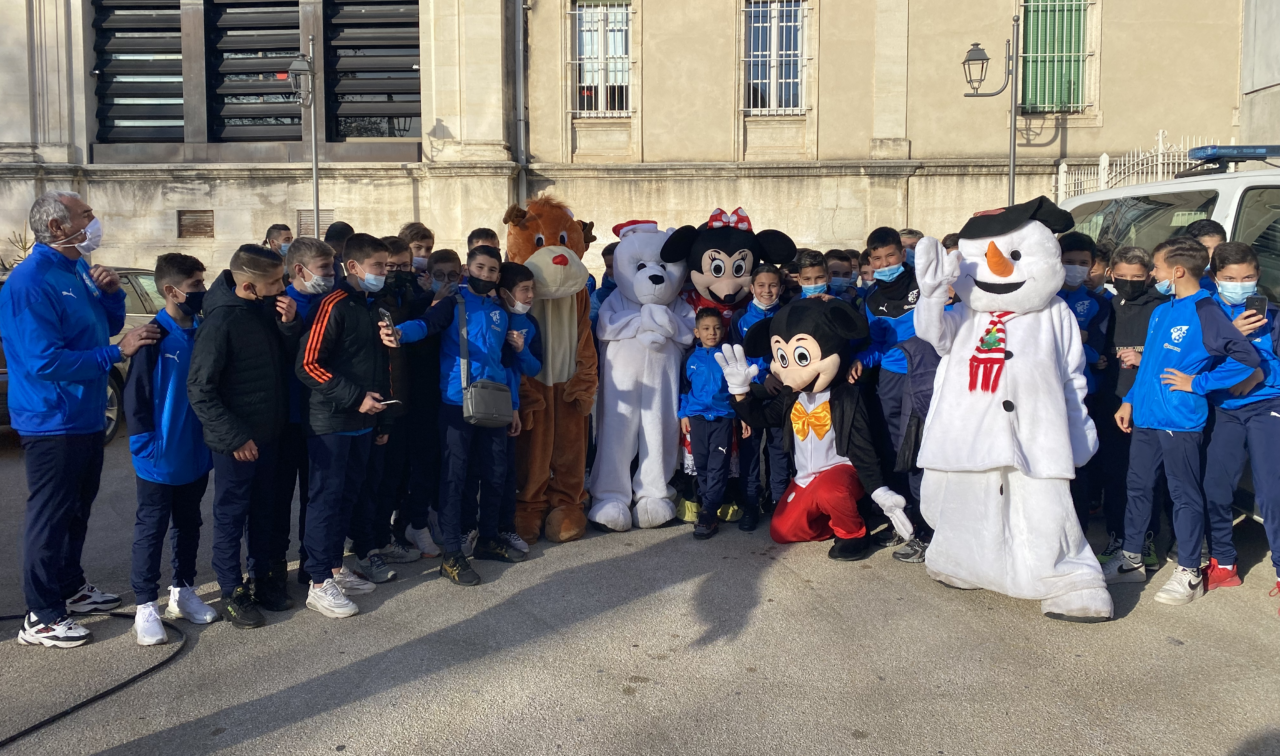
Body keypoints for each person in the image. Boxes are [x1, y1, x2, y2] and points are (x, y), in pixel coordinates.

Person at [1, 190, 158, 648]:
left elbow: (103, 326)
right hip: (51, 419)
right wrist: (116, 353)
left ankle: (71, 586)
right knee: (49, 516)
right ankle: (42, 615)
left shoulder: (78, 271)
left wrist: (111, 295)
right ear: (57, 227)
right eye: (86, 215)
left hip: (86, 415)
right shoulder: (29, 282)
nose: (94, 221)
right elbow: (42, 361)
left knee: (76, 510)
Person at [1108, 237, 1261, 606]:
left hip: (1179, 419)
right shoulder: (1163, 310)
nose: (1154, 275)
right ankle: (1131, 558)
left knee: (1183, 495)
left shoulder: (1206, 311)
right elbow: (1152, 367)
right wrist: (1129, 400)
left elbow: (1247, 358)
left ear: (1177, 271)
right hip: (1146, 416)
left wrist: (1198, 382)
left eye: (1157, 269)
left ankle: (1189, 569)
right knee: (1138, 486)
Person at [394, 244, 522, 586]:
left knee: (495, 472)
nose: (486, 275)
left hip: (495, 402)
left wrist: (514, 406)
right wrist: (399, 333)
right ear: (468, 269)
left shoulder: (500, 308)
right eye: (480, 268)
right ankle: (452, 553)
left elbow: (507, 362)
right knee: (454, 477)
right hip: (457, 402)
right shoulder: (454, 303)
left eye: (493, 270)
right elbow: (426, 324)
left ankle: (488, 539)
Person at [188, 244, 300, 629]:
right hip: (237, 443)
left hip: (271, 435)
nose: (283, 286)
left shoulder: (267, 310)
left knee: (266, 512)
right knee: (231, 516)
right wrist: (235, 438)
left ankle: (264, 579)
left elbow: (284, 362)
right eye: (275, 281)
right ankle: (232, 591)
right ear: (249, 286)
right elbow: (200, 389)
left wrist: (288, 325)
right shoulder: (220, 322)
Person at [123, 253, 218, 645]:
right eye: (195, 285)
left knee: (189, 521)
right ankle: (146, 605)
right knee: (152, 526)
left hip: (196, 450)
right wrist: (144, 444)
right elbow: (137, 397)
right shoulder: (152, 337)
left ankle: (183, 591)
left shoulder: (204, 330)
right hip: (159, 454)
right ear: (171, 290)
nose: (202, 291)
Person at [295, 233, 390, 615]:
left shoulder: (373, 305)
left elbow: (378, 364)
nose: (385, 272)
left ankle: (334, 566)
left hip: (364, 422)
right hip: (331, 421)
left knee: (348, 496)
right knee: (326, 500)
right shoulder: (332, 304)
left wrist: (380, 413)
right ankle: (318, 581)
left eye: (385, 265)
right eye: (378, 266)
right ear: (353, 267)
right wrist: (354, 397)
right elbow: (308, 364)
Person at [1199, 242, 1280, 598]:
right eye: (1230, 278)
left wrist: (1260, 373)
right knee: (1216, 487)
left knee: (1273, 491)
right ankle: (1224, 562)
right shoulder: (1205, 311)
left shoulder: (1273, 314)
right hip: (1224, 410)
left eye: (1247, 277)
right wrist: (1232, 336)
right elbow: (1194, 360)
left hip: (1267, 407)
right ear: (1216, 278)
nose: (1240, 283)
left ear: (1258, 275)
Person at [354, 236, 430, 570]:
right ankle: (369, 543)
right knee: (375, 480)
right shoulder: (375, 302)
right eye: (390, 267)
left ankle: (384, 537)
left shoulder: (408, 295)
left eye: (402, 266)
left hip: (403, 401)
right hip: (379, 404)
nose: (396, 272)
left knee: (394, 477)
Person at [1094, 246, 1168, 570]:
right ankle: (1116, 537)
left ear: (1150, 275)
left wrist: (1144, 360)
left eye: (1136, 278)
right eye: (1121, 277)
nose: (1128, 283)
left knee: (1147, 477)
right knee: (1114, 473)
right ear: (1111, 273)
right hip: (1110, 400)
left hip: (1148, 402)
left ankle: (1146, 540)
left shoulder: (1163, 307)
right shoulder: (1107, 305)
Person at [852, 227, 924, 559]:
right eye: (877, 258)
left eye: (890, 256)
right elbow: (878, 345)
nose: (885, 263)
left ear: (903, 254)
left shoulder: (924, 284)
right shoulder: (872, 298)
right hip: (891, 379)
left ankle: (925, 531)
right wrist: (859, 362)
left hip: (924, 376)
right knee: (894, 450)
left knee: (919, 452)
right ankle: (903, 524)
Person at [279, 236, 337, 584]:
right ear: (299, 270)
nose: (332, 274)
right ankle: (271, 571)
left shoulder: (329, 301)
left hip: (321, 415)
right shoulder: (283, 304)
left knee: (317, 496)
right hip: (287, 416)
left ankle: (312, 564)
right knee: (280, 497)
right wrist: (289, 326)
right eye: (325, 268)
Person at [729, 264, 791, 530]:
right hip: (751, 394)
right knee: (750, 450)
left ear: (782, 288)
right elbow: (735, 360)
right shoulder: (740, 319)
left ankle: (778, 501)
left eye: (773, 285)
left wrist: (779, 374)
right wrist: (760, 377)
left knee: (779, 450)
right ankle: (751, 503)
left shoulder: (789, 315)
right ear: (752, 288)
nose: (767, 291)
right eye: (762, 285)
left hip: (780, 394)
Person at [1057, 231, 1110, 522]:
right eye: (1069, 261)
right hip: (1047, 391)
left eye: (1083, 262)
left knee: (1081, 461)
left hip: (1084, 394)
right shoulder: (1044, 297)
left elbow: (1098, 353)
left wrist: (1078, 343)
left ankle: (1080, 526)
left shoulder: (1097, 303)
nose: (1076, 268)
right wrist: (1078, 337)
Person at [493, 261, 543, 551]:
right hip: (479, 402)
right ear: (504, 292)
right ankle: (474, 528)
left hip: (510, 407)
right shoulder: (492, 316)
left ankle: (506, 527)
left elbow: (536, 367)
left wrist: (522, 350)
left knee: (506, 471)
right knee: (481, 470)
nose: (529, 296)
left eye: (532, 290)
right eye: (523, 290)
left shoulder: (530, 323)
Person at [679, 309, 735, 540]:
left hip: (723, 417)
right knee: (701, 462)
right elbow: (683, 389)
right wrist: (683, 414)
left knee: (718, 464)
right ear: (696, 332)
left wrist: (741, 417)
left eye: (717, 328)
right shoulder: (690, 358)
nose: (712, 332)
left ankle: (709, 511)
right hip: (697, 418)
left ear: (723, 330)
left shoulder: (729, 355)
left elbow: (738, 389)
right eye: (706, 328)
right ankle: (706, 505)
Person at [1185, 218, 1227, 293]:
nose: (1213, 254)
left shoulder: (1232, 276)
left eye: (1219, 247)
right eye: (1206, 249)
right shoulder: (1181, 279)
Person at [589, 241, 618, 331]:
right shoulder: (597, 297)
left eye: (617, 266)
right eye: (609, 267)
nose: (613, 271)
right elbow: (591, 326)